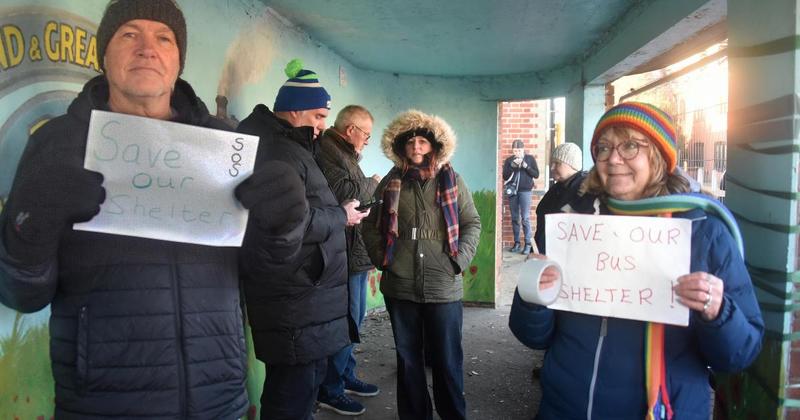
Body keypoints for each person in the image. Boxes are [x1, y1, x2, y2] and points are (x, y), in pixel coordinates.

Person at [0, 1, 251, 417]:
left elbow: (262, 271)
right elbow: (20, 293)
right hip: (102, 402)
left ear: (178, 60)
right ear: (104, 54)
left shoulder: (225, 146)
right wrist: (31, 226)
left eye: (164, 38)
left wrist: (284, 229)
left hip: (218, 397)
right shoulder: (57, 142)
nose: (147, 48)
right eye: (129, 34)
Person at [508, 102, 764, 419]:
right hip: (564, 409)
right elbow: (531, 335)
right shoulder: (572, 226)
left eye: (630, 146)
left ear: (658, 154)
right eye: (603, 148)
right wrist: (535, 294)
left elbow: (740, 354)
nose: (614, 159)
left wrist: (718, 311)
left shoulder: (704, 232)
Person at [237, 59, 368, 420]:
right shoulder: (277, 152)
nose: (323, 127)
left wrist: (338, 210)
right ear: (294, 112)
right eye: (318, 117)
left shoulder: (288, 147)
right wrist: (342, 216)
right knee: (291, 396)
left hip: (302, 298)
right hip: (295, 299)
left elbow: (298, 208)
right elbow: (286, 224)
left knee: (300, 390)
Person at [362, 110, 482, 420]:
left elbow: (472, 223)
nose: (416, 147)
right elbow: (370, 226)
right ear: (401, 147)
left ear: (435, 147)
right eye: (411, 142)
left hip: (443, 284)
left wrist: (458, 261)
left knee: (447, 361)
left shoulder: (452, 180)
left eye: (423, 142)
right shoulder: (390, 181)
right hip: (400, 284)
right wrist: (383, 260)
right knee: (408, 360)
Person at [315, 105, 382, 416]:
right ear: (352, 130)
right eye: (366, 135)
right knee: (346, 322)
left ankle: (346, 376)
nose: (367, 141)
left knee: (355, 319)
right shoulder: (328, 149)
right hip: (342, 251)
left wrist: (366, 187)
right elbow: (346, 191)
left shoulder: (345, 154)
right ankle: (331, 389)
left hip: (355, 251)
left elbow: (356, 195)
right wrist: (372, 182)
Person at [533, 142, 587, 253]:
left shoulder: (584, 190)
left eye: (557, 163)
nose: (552, 167)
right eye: (552, 163)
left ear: (572, 165)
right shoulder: (558, 188)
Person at [502, 139, 539, 254]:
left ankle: (527, 244)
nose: (517, 152)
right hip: (512, 191)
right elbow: (504, 176)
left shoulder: (530, 159)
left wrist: (526, 166)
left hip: (525, 191)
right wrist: (512, 166)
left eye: (519, 150)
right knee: (515, 218)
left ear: (523, 149)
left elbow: (536, 174)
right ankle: (517, 243)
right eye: (515, 150)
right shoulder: (509, 160)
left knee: (525, 218)